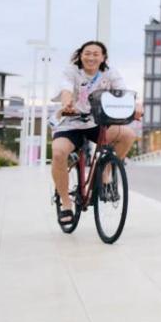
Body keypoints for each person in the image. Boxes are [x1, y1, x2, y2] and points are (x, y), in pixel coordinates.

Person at [50, 41, 141, 223]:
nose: (91, 57)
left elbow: (123, 92)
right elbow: (66, 89)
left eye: (95, 54)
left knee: (128, 135)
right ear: (80, 55)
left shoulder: (110, 73)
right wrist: (67, 105)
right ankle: (66, 205)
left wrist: (136, 105)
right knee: (59, 153)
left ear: (103, 57)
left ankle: (106, 172)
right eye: (87, 53)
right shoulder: (71, 71)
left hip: (96, 121)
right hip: (71, 122)